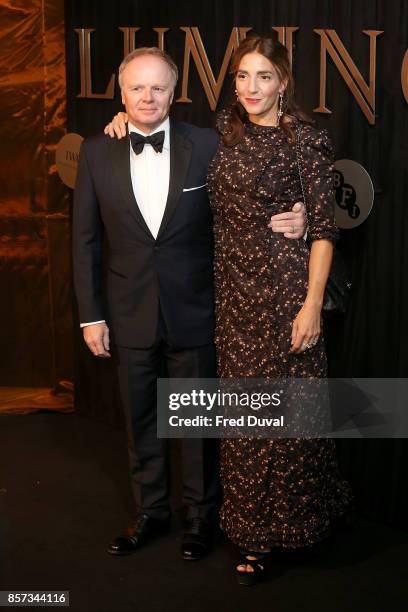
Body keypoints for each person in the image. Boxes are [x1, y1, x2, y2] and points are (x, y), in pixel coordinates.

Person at [73, 47, 307, 563]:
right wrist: (92, 315)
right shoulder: (95, 151)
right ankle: (150, 513)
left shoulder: (210, 143)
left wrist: (304, 218)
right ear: (121, 94)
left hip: (196, 308)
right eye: (137, 88)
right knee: (140, 422)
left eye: (158, 87)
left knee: (198, 423)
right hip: (127, 311)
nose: (147, 97)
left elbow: (265, 177)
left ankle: (201, 519)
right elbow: (84, 240)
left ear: (174, 93)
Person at [205, 34, 352, 585]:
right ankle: (249, 522)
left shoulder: (304, 141)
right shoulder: (226, 128)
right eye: (242, 75)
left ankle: (279, 531)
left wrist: (312, 305)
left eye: (263, 76)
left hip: (285, 291)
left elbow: (323, 228)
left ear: (284, 82)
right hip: (233, 295)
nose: (250, 88)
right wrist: (125, 120)